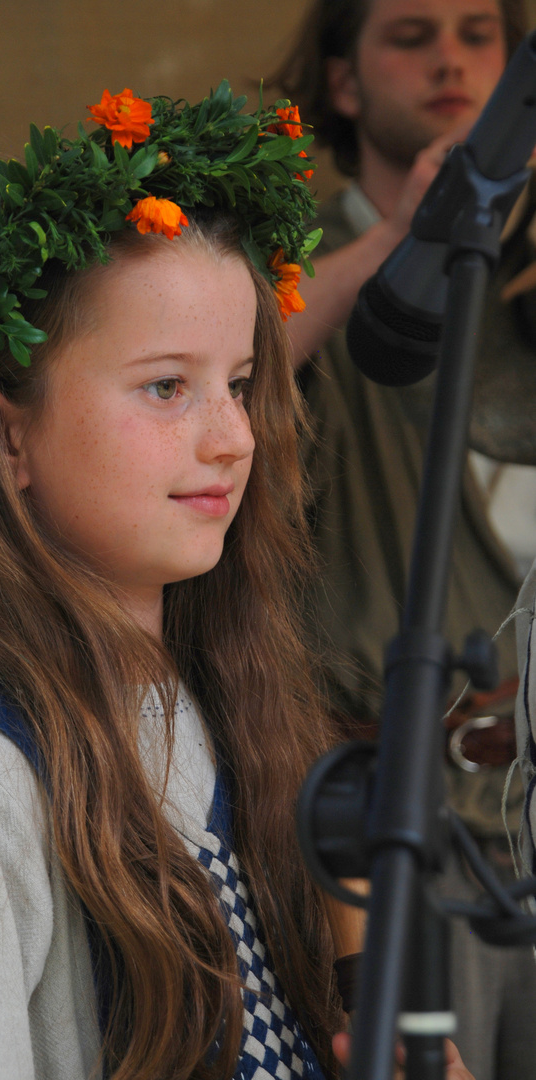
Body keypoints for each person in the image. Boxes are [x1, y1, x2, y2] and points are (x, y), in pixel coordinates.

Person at [0, 81, 476, 1080]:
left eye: (241, 385)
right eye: (167, 387)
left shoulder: (222, 701)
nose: (232, 438)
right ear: (8, 426)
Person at [270, 2, 536, 1078]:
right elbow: (236, 366)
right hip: (403, 822)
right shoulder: (294, 261)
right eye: (411, 33)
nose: (452, 60)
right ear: (342, 82)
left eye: (480, 34)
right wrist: (404, 239)